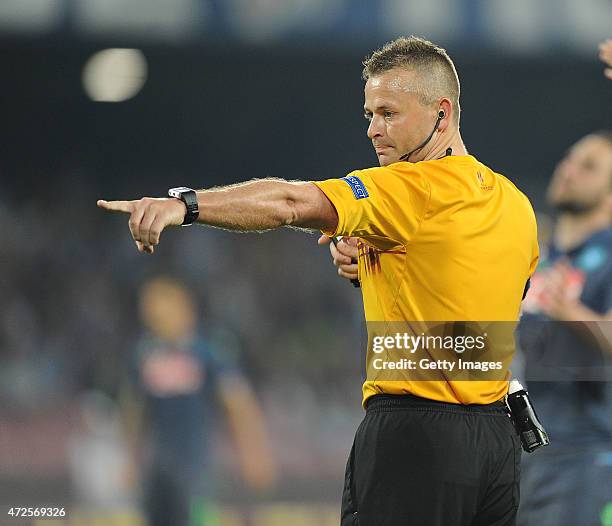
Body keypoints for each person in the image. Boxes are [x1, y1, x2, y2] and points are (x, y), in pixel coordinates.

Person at [98, 36, 539, 525]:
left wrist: (186, 204)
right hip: (497, 445)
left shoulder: (409, 185)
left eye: (389, 114)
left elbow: (290, 202)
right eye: (369, 114)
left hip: (417, 435)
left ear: (441, 111)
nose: (374, 129)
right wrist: (377, 264)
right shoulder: (514, 203)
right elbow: (478, 295)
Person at [121, 275, 276, 526]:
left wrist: (254, 453)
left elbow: (239, 403)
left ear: (182, 304)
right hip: (158, 468)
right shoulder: (144, 353)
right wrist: (129, 459)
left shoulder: (208, 349)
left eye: (158, 303)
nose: (151, 312)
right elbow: (134, 409)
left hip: (196, 468)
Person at [514, 132, 612, 526]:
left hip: (587, 456)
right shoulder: (541, 259)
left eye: (588, 167)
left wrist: (569, 309)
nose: (568, 169)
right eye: (569, 159)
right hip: (528, 454)